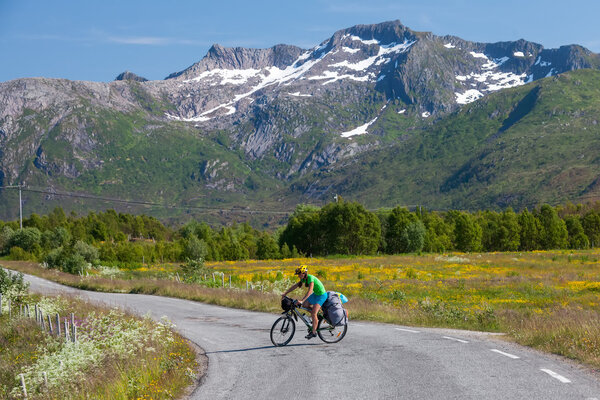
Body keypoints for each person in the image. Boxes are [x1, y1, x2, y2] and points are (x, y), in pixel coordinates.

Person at [281, 265, 327, 339]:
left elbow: (310, 291)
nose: (298, 276)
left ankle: (314, 332)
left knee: (313, 313)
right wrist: (285, 293)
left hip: (321, 296)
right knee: (305, 305)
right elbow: (295, 286)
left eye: (299, 274)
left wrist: (302, 300)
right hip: (316, 294)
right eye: (298, 274)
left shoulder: (310, 278)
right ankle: (317, 316)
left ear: (304, 273)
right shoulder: (303, 279)